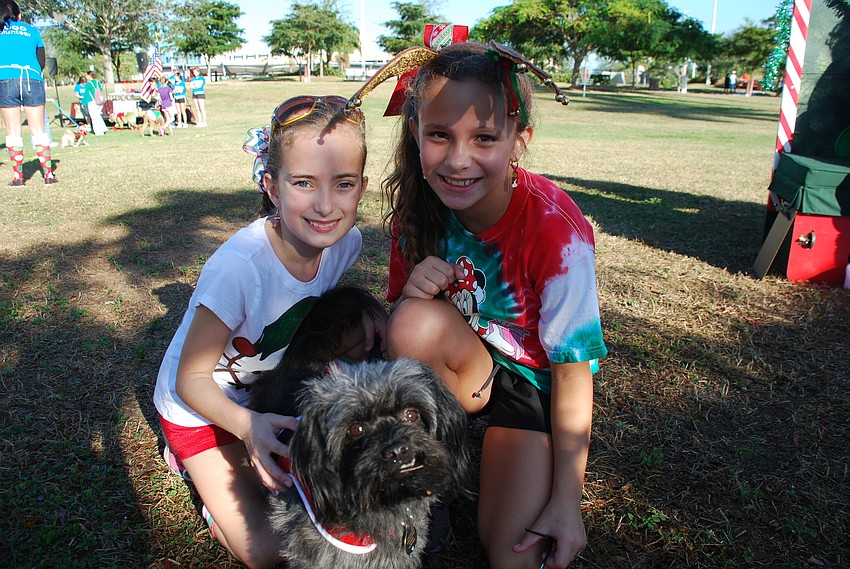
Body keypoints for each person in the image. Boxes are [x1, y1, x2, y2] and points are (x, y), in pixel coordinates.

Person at [380, 42, 607, 569]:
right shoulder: (416, 212)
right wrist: (413, 294)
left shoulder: (558, 232)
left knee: (513, 557)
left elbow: (574, 375)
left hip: (532, 387)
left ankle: (500, 458)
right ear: (416, 134)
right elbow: (402, 334)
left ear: (518, 140)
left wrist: (566, 504)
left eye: (483, 137)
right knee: (412, 321)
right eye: (439, 135)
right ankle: (432, 477)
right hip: (467, 367)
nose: (458, 160)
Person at [152, 94, 382, 568]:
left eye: (342, 184)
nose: (324, 205)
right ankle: (197, 471)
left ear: (361, 188)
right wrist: (245, 427)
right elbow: (190, 380)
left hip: (266, 389)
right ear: (272, 187)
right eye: (303, 183)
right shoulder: (239, 268)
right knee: (265, 550)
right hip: (200, 409)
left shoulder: (346, 242)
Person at [0, 0, 56, 186]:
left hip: (5, 78)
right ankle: (48, 175)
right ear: (19, 14)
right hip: (32, 79)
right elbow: (41, 61)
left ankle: (18, 179)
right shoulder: (32, 31)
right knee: (38, 130)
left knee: (13, 131)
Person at [83, 70, 107, 135]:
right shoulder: (97, 82)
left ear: (89, 75)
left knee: (94, 117)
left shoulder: (88, 84)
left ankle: (98, 131)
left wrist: (84, 103)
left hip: (92, 101)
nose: (85, 77)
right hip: (99, 101)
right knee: (98, 115)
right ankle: (103, 128)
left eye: (86, 75)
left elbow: (86, 94)